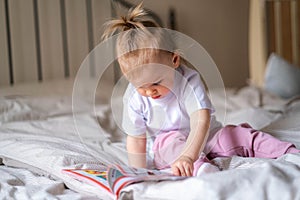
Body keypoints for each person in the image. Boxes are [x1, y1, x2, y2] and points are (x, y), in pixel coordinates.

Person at [102, 3, 300, 177]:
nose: (149, 92)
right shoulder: (134, 97)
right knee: (169, 144)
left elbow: (201, 121)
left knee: (238, 135)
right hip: (170, 144)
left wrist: (192, 152)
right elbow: (136, 139)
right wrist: (139, 172)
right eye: (140, 87)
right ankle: (202, 169)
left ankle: (290, 153)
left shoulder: (189, 79)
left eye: (155, 83)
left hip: (205, 134)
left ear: (174, 60)